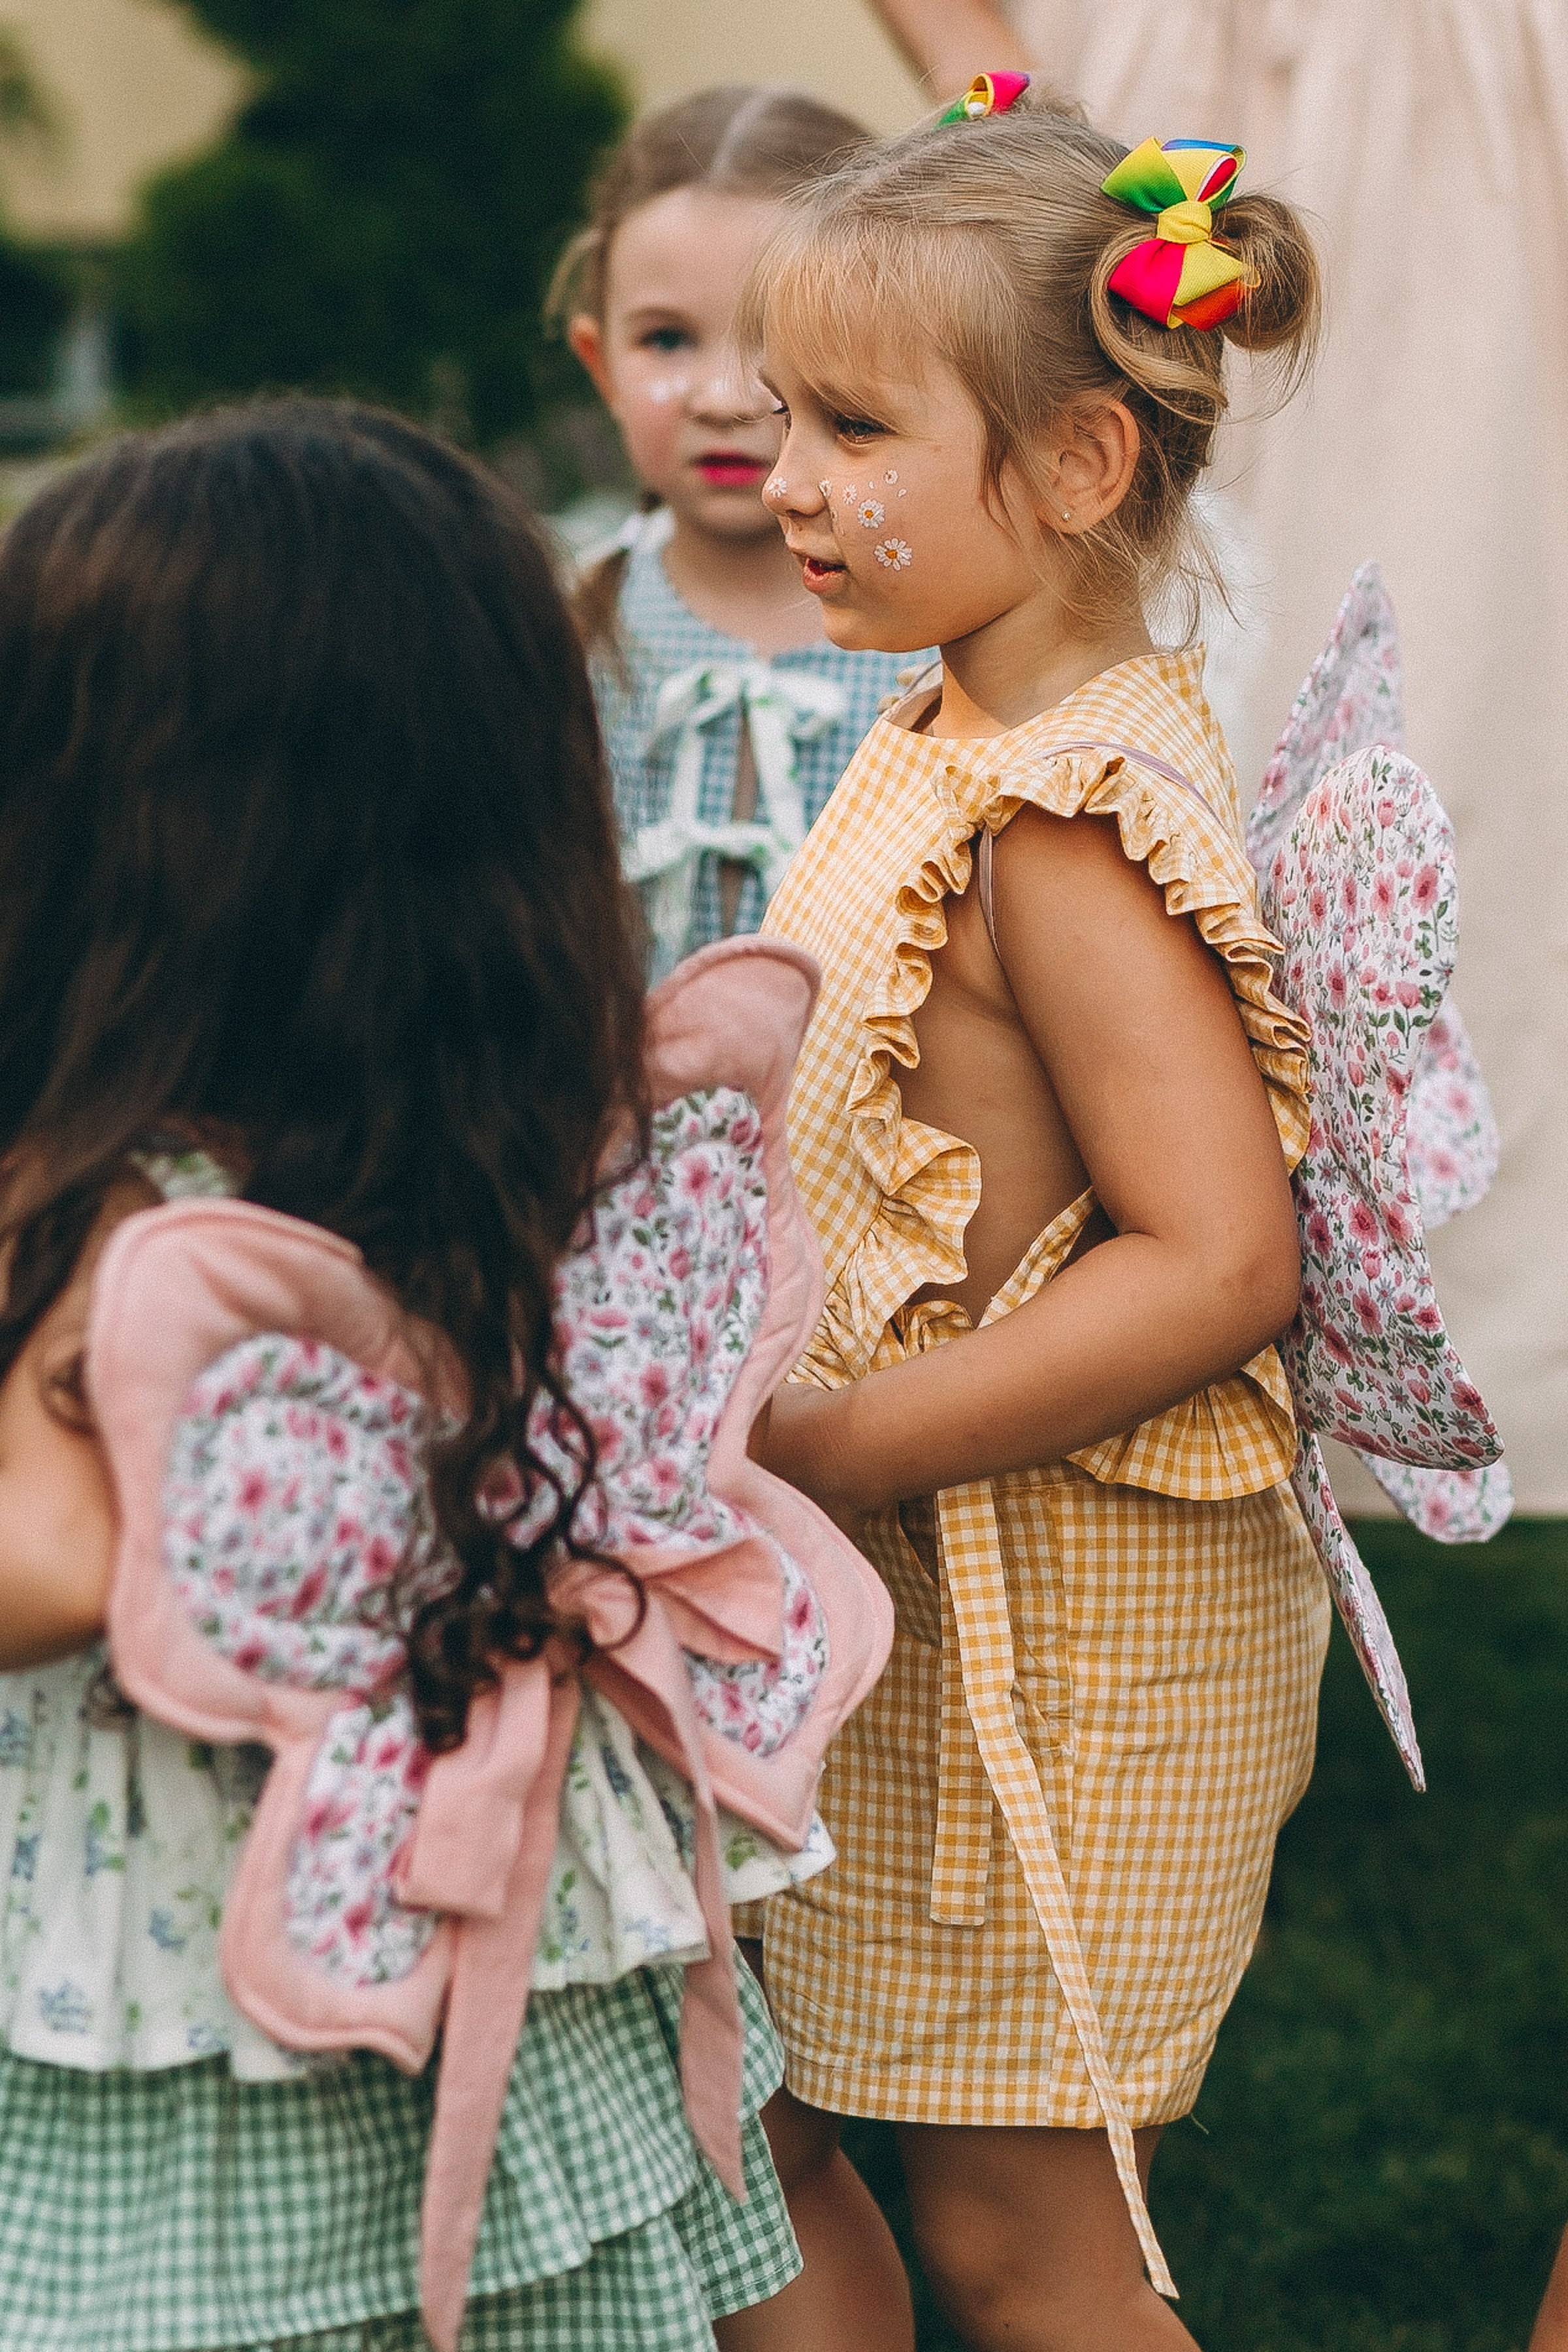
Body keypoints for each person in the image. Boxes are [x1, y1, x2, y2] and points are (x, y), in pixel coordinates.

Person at [0, 397, 843, 2352]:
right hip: (492, 1910)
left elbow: (49, 1571)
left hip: (176, 2007)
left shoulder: (111, 1206)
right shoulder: (543, 1145)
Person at [736, 90, 1331, 2352]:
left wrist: (854, 1449)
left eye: (855, 425)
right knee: (761, 2131)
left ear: (1083, 462)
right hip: (913, 1628)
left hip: (1053, 1667)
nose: (785, 473)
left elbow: (1221, 1256)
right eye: (784, 414)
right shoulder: (962, 721)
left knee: (1027, 2244)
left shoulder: (1069, 822)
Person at [864, 0, 1568, 1530]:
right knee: (1117, 716)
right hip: (1159, 106)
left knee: (1499, 721)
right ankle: (1086, 1348)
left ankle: (1437, 1359)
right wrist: (988, 79)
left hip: (1505, 127)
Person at [551, 85, 931, 979]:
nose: (722, 399)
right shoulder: (560, 637)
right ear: (599, 362)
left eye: (769, 339)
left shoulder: (939, 648)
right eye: (666, 341)